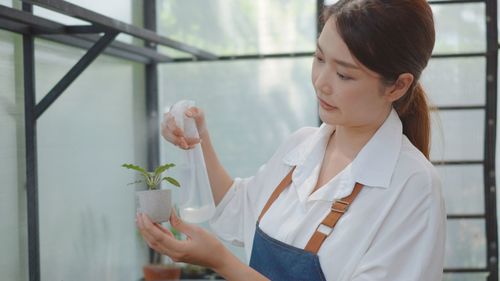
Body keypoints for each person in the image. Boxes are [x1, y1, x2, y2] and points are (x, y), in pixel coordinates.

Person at [136, 0, 446, 280]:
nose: (321, 83)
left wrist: (223, 263)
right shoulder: (301, 146)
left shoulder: (412, 185)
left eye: (344, 75)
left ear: (397, 86)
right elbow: (238, 210)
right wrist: (197, 137)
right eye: (320, 58)